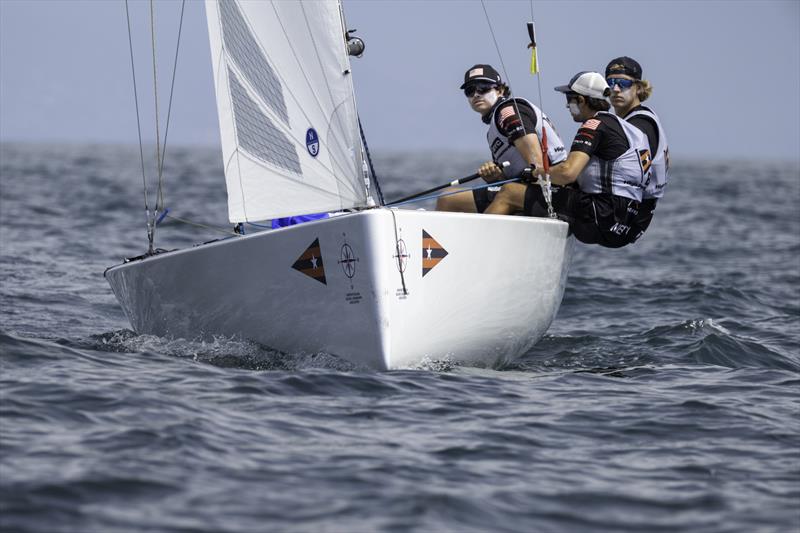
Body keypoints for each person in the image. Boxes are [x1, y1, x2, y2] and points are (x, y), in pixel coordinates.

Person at [525, 71, 652, 248]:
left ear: (582, 100)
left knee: (510, 193)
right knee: (542, 198)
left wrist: (535, 172)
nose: (567, 107)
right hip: (626, 223)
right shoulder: (623, 127)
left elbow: (567, 173)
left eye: (569, 100)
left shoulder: (594, 124)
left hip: (602, 215)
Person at [436, 64, 567, 215]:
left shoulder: (507, 112)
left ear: (500, 90)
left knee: (451, 199)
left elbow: (537, 166)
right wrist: (496, 177)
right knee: (447, 198)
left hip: (554, 193)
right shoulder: (494, 125)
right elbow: (514, 177)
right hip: (529, 189)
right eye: (470, 91)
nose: (476, 95)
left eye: (483, 88)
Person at [605, 56, 669, 239]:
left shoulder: (639, 125)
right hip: (635, 213)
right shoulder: (642, 117)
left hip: (630, 216)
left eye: (623, 83)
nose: (616, 89)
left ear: (639, 88)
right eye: (611, 83)